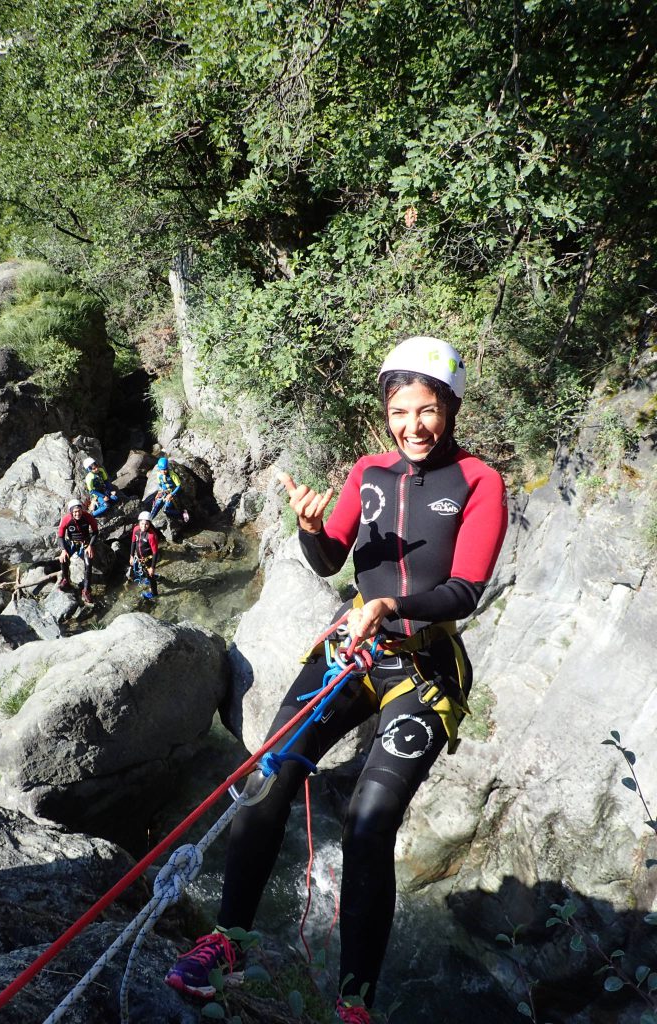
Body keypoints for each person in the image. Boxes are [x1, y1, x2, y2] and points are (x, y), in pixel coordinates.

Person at [164, 336, 508, 1022]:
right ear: (387, 412)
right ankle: (226, 943)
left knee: (368, 824)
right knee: (268, 773)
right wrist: (311, 528)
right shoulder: (370, 474)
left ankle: (357, 1001)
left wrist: (389, 606)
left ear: (452, 409)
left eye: (429, 410)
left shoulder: (479, 482)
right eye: (401, 410)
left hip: (424, 667)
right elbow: (328, 560)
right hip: (353, 650)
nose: (413, 425)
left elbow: (466, 590)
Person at [57, 498, 99, 605]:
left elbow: (95, 532)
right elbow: (60, 536)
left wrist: (90, 546)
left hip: (85, 543)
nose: (77, 514)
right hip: (72, 543)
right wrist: (63, 550)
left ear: (82, 510)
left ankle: (86, 590)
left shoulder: (88, 517)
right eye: (75, 512)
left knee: (88, 563)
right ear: (71, 512)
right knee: (63, 559)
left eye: (79, 511)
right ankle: (66, 580)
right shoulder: (66, 519)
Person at [144, 455, 189, 523]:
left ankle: (181, 513)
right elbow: (160, 484)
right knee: (157, 504)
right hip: (164, 491)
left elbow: (179, 485)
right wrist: (160, 492)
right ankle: (149, 520)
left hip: (172, 492)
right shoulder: (159, 475)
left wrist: (171, 494)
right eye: (162, 469)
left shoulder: (172, 475)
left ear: (167, 468)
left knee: (167, 509)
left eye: (165, 469)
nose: (164, 471)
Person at [130, 510, 159, 600]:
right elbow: (133, 542)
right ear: (139, 522)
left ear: (149, 524)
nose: (144, 526)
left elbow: (155, 552)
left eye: (146, 524)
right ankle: (151, 576)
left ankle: (154, 593)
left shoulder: (151, 536)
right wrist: (131, 556)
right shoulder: (136, 529)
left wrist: (152, 567)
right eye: (142, 523)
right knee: (144, 570)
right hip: (140, 558)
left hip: (149, 559)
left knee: (151, 576)